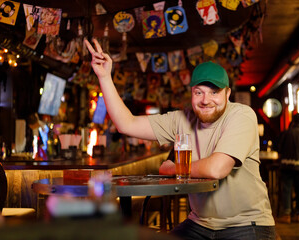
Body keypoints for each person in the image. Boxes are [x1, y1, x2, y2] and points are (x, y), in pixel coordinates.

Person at [84, 39, 276, 240]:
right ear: (191, 93)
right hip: (199, 224)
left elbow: (217, 169)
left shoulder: (242, 115)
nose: (205, 100)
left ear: (228, 94)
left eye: (214, 92)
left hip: (247, 224)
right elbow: (127, 124)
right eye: (198, 92)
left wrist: (172, 168)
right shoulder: (182, 118)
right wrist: (105, 77)